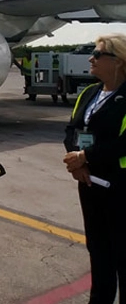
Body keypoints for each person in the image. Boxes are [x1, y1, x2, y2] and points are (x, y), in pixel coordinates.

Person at [62, 34, 126, 304]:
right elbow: (71, 130)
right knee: (98, 250)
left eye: (98, 54)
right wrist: (76, 163)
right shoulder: (90, 93)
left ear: (119, 62)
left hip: (120, 185)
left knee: (122, 252)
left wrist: (85, 156)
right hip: (89, 182)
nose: (91, 58)